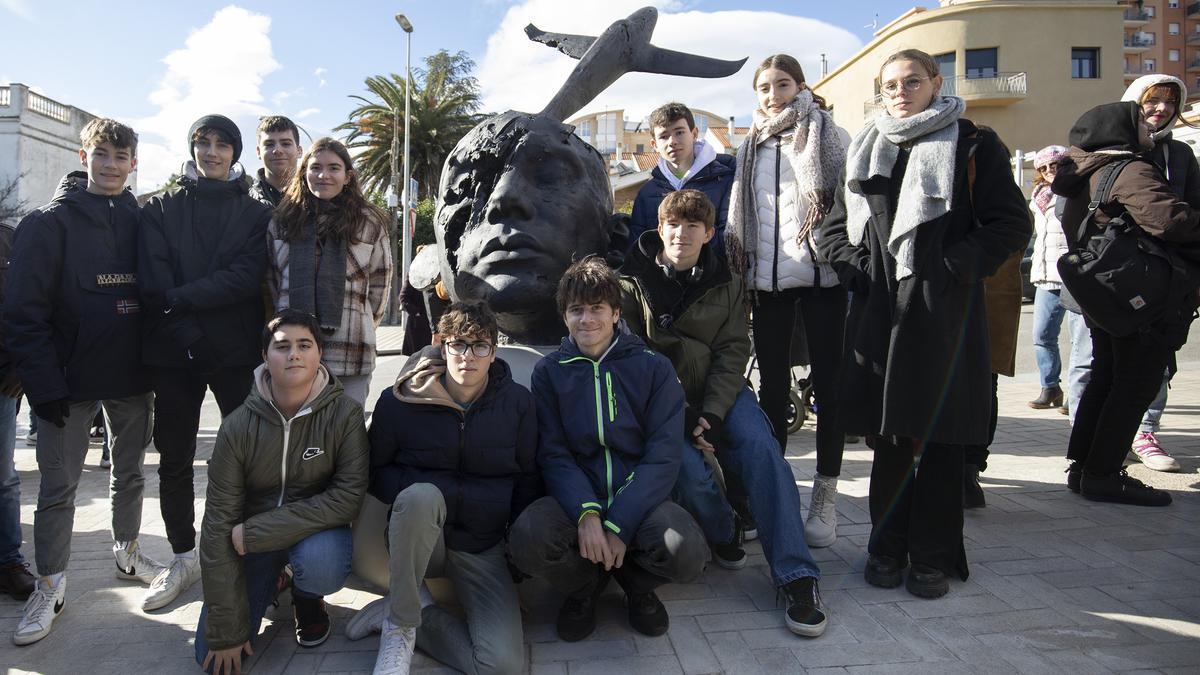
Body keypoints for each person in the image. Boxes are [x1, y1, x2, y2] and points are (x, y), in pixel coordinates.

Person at [817, 49, 1030, 598]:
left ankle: (931, 557)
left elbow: (1010, 223)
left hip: (944, 315)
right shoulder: (867, 147)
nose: (901, 90)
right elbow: (834, 229)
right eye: (891, 84)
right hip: (880, 313)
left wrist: (952, 266)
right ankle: (885, 548)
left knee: (939, 439)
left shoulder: (975, 144)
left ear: (936, 82)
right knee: (889, 438)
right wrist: (858, 269)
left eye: (913, 80)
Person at [620, 189, 827, 636]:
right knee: (689, 473)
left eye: (694, 225)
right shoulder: (631, 284)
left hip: (722, 395)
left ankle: (796, 575)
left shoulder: (728, 282)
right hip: (661, 404)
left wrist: (710, 414)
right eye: (674, 224)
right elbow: (634, 357)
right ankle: (725, 528)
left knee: (760, 448)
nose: (682, 233)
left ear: (710, 233)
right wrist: (680, 412)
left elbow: (733, 351)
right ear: (660, 228)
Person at [5, 119, 162, 645]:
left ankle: (128, 551)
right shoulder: (47, 225)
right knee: (57, 491)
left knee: (132, 474)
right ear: (84, 155)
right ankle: (49, 584)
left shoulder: (144, 221)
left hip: (131, 378)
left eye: (122, 156)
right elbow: (24, 314)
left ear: (134, 162)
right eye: (102, 154)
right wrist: (43, 385)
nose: (112, 165)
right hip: (67, 387)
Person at [507, 257, 708, 642]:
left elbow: (663, 455)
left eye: (597, 308)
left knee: (688, 553)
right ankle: (584, 587)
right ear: (564, 317)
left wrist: (619, 522)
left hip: (641, 497)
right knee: (527, 540)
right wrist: (587, 515)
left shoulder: (654, 367)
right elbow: (554, 453)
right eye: (576, 310)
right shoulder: (549, 371)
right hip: (576, 496)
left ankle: (636, 586)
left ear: (616, 313)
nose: (587, 320)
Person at [345, 302, 540, 674]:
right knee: (422, 494)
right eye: (459, 344)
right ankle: (399, 628)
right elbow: (376, 470)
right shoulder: (399, 402)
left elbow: (528, 479)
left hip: (481, 545)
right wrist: (436, 493)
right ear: (441, 345)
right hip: (421, 536)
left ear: (494, 352)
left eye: (480, 346)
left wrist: (516, 549)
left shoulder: (518, 405)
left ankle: (416, 611)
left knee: (501, 667)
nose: (468, 356)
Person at [139, 114, 272, 611]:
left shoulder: (254, 213)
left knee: (242, 457)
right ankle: (181, 556)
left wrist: (181, 299)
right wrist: (187, 329)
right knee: (173, 457)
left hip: (233, 354)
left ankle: (239, 551)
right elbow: (153, 286)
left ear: (236, 153)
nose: (211, 152)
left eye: (222, 144)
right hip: (173, 352)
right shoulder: (161, 210)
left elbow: (243, 277)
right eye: (202, 142)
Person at [195, 309, 368, 674]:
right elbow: (217, 526)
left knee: (322, 563)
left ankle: (307, 596)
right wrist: (226, 629)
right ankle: (278, 576)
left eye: (304, 345)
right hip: (253, 546)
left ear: (320, 353)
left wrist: (257, 532)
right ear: (264, 356)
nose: (294, 354)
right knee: (211, 659)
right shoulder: (237, 426)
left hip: (305, 534)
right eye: (282, 346)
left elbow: (347, 498)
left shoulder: (345, 416)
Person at [726, 54, 849, 547]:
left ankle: (826, 494)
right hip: (769, 284)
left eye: (781, 84)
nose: (772, 94)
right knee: (772, 391)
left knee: (830, 388)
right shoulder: (749, 147)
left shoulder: (829, 134)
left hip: (823, 281)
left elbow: (847, 206)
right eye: (763, 87)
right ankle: (775, 491)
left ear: (801, 86)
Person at [1053, 101, 1200, 506]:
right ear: (1117, 129)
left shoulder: (1078, 173)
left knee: (1106, 378)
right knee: (1134, 385)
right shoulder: (1129, 169)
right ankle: (1103, 474)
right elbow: (1169, 220)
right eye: (1139, 120)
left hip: (1106, 295)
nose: (1148, 126)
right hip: (1143, 300)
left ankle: (1084, 467)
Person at [434, 112, 615, 343]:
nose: (504, 197)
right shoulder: (423, 379)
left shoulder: (643, 373)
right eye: (466, 184)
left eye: (551, 175)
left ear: (615, 237)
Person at [267, 137, 393, 408]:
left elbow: (380, 286)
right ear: (304, 173)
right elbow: (274, 282)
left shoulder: (368, 221)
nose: (324, 175)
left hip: (351, 350)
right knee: (297, 436)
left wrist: (359, 322)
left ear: (348, 176)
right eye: (315, 167)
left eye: (334, 168)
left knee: (346, 437)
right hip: (292, 353)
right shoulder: (282, 221)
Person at [1118, 74, 1199, 473]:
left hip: (1168, 277)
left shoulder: (1181, 156)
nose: (1162, 109)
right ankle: (1097, 438)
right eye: (1153, 100)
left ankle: (1145, 432)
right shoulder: (1112, 148)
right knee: (1092, 363)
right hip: (1113, 276)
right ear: (1135, 102)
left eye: (1170, 101)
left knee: (1160, 360)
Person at [627, 102, 735, 253]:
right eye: (664, 136)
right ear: (654, 144)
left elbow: (729, 238)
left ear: (694, 134)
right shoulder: (647, 192)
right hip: (659, 275)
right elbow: (638, 247)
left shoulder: (725, 181)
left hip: (711, 274)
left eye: (679, 132)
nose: (672, 141)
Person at [0, 210, 32, 603]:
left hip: (2, 380)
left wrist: (20, 366)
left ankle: (9, 562)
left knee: (3, 478)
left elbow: (26, 307)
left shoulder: (10, 239)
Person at [1028, 145, 1070, 411]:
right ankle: (1050, 386)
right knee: (1042, 335)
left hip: (1071, 276)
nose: (1049, 171)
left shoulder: (1075, 191)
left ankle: (1080, 393)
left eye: (1054, 166)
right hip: (1044, 276)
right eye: (1044, 168)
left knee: (1081, 340)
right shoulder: (1037, 198)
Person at [249, 115, 302, 208]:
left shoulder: (319, 197)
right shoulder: (244, 203)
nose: (277, 150)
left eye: (285, 144)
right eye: (269, 144)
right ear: (258, 152)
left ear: (299, 151)